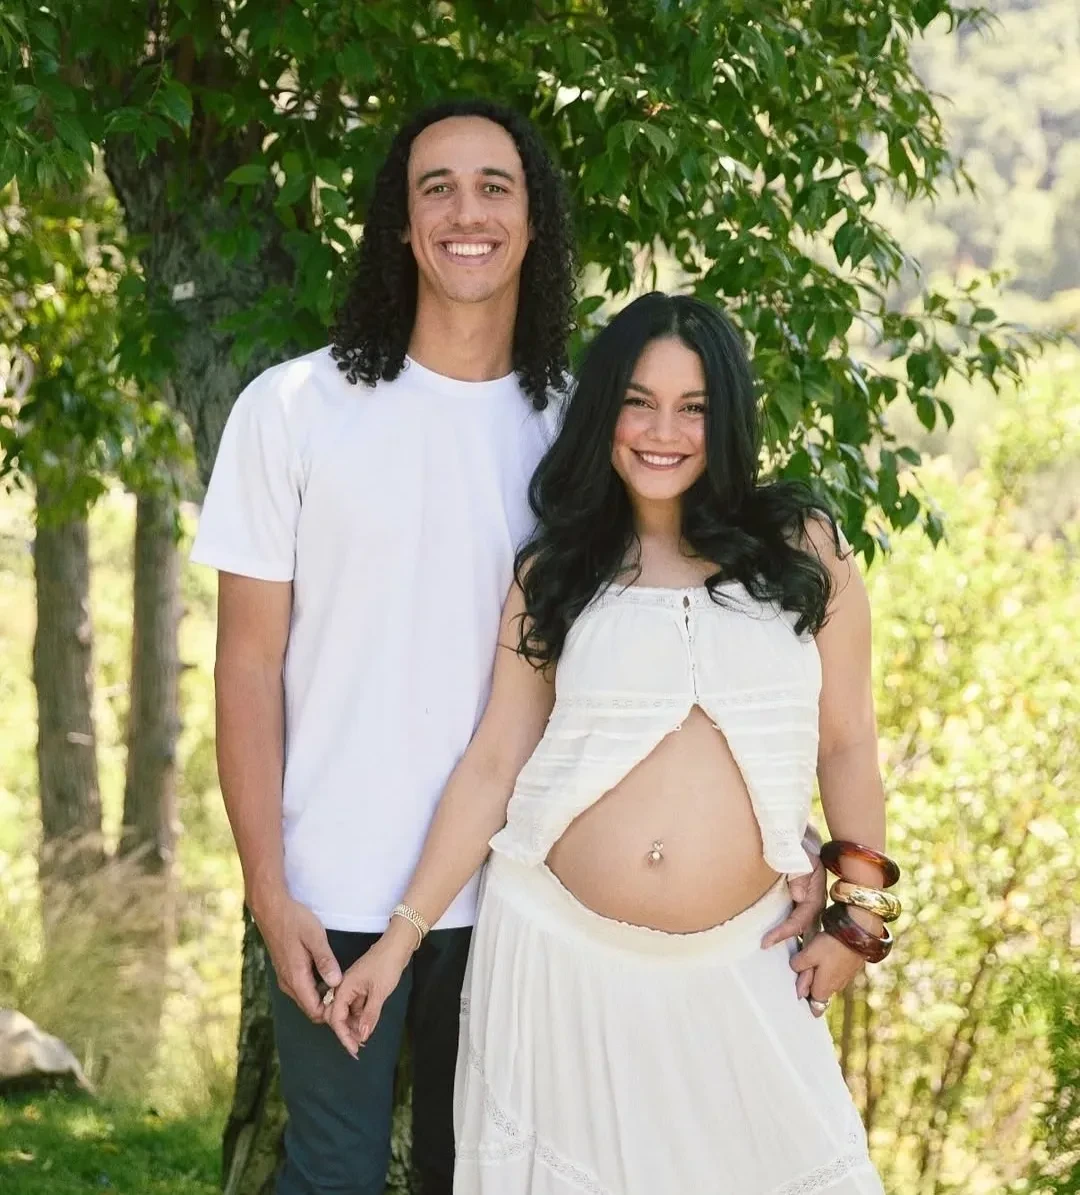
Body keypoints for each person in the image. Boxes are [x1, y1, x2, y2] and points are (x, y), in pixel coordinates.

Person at [193, 96, 827, 1193]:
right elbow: (245, 666)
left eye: (496, 187)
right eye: (435, 187)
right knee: (332, 1174)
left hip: (529, 896)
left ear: (536, 224)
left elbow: (674, 639)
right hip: (332, 882)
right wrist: (267, 884)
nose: (466, 212)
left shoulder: (589, 430)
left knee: (481, 1176)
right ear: (401, 223)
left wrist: (786, 831)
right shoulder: (292, 409)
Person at [327, 293, 896, 1194]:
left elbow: (849, 739)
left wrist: (859, 921)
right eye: (640, 402)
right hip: (556, 962)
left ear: (727, 418)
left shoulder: (801, 547)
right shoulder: (557, 568)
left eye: (693, 407)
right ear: (605, 413)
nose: (663, 432)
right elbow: (495, 762)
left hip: (742, 961)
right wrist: (398, 942)